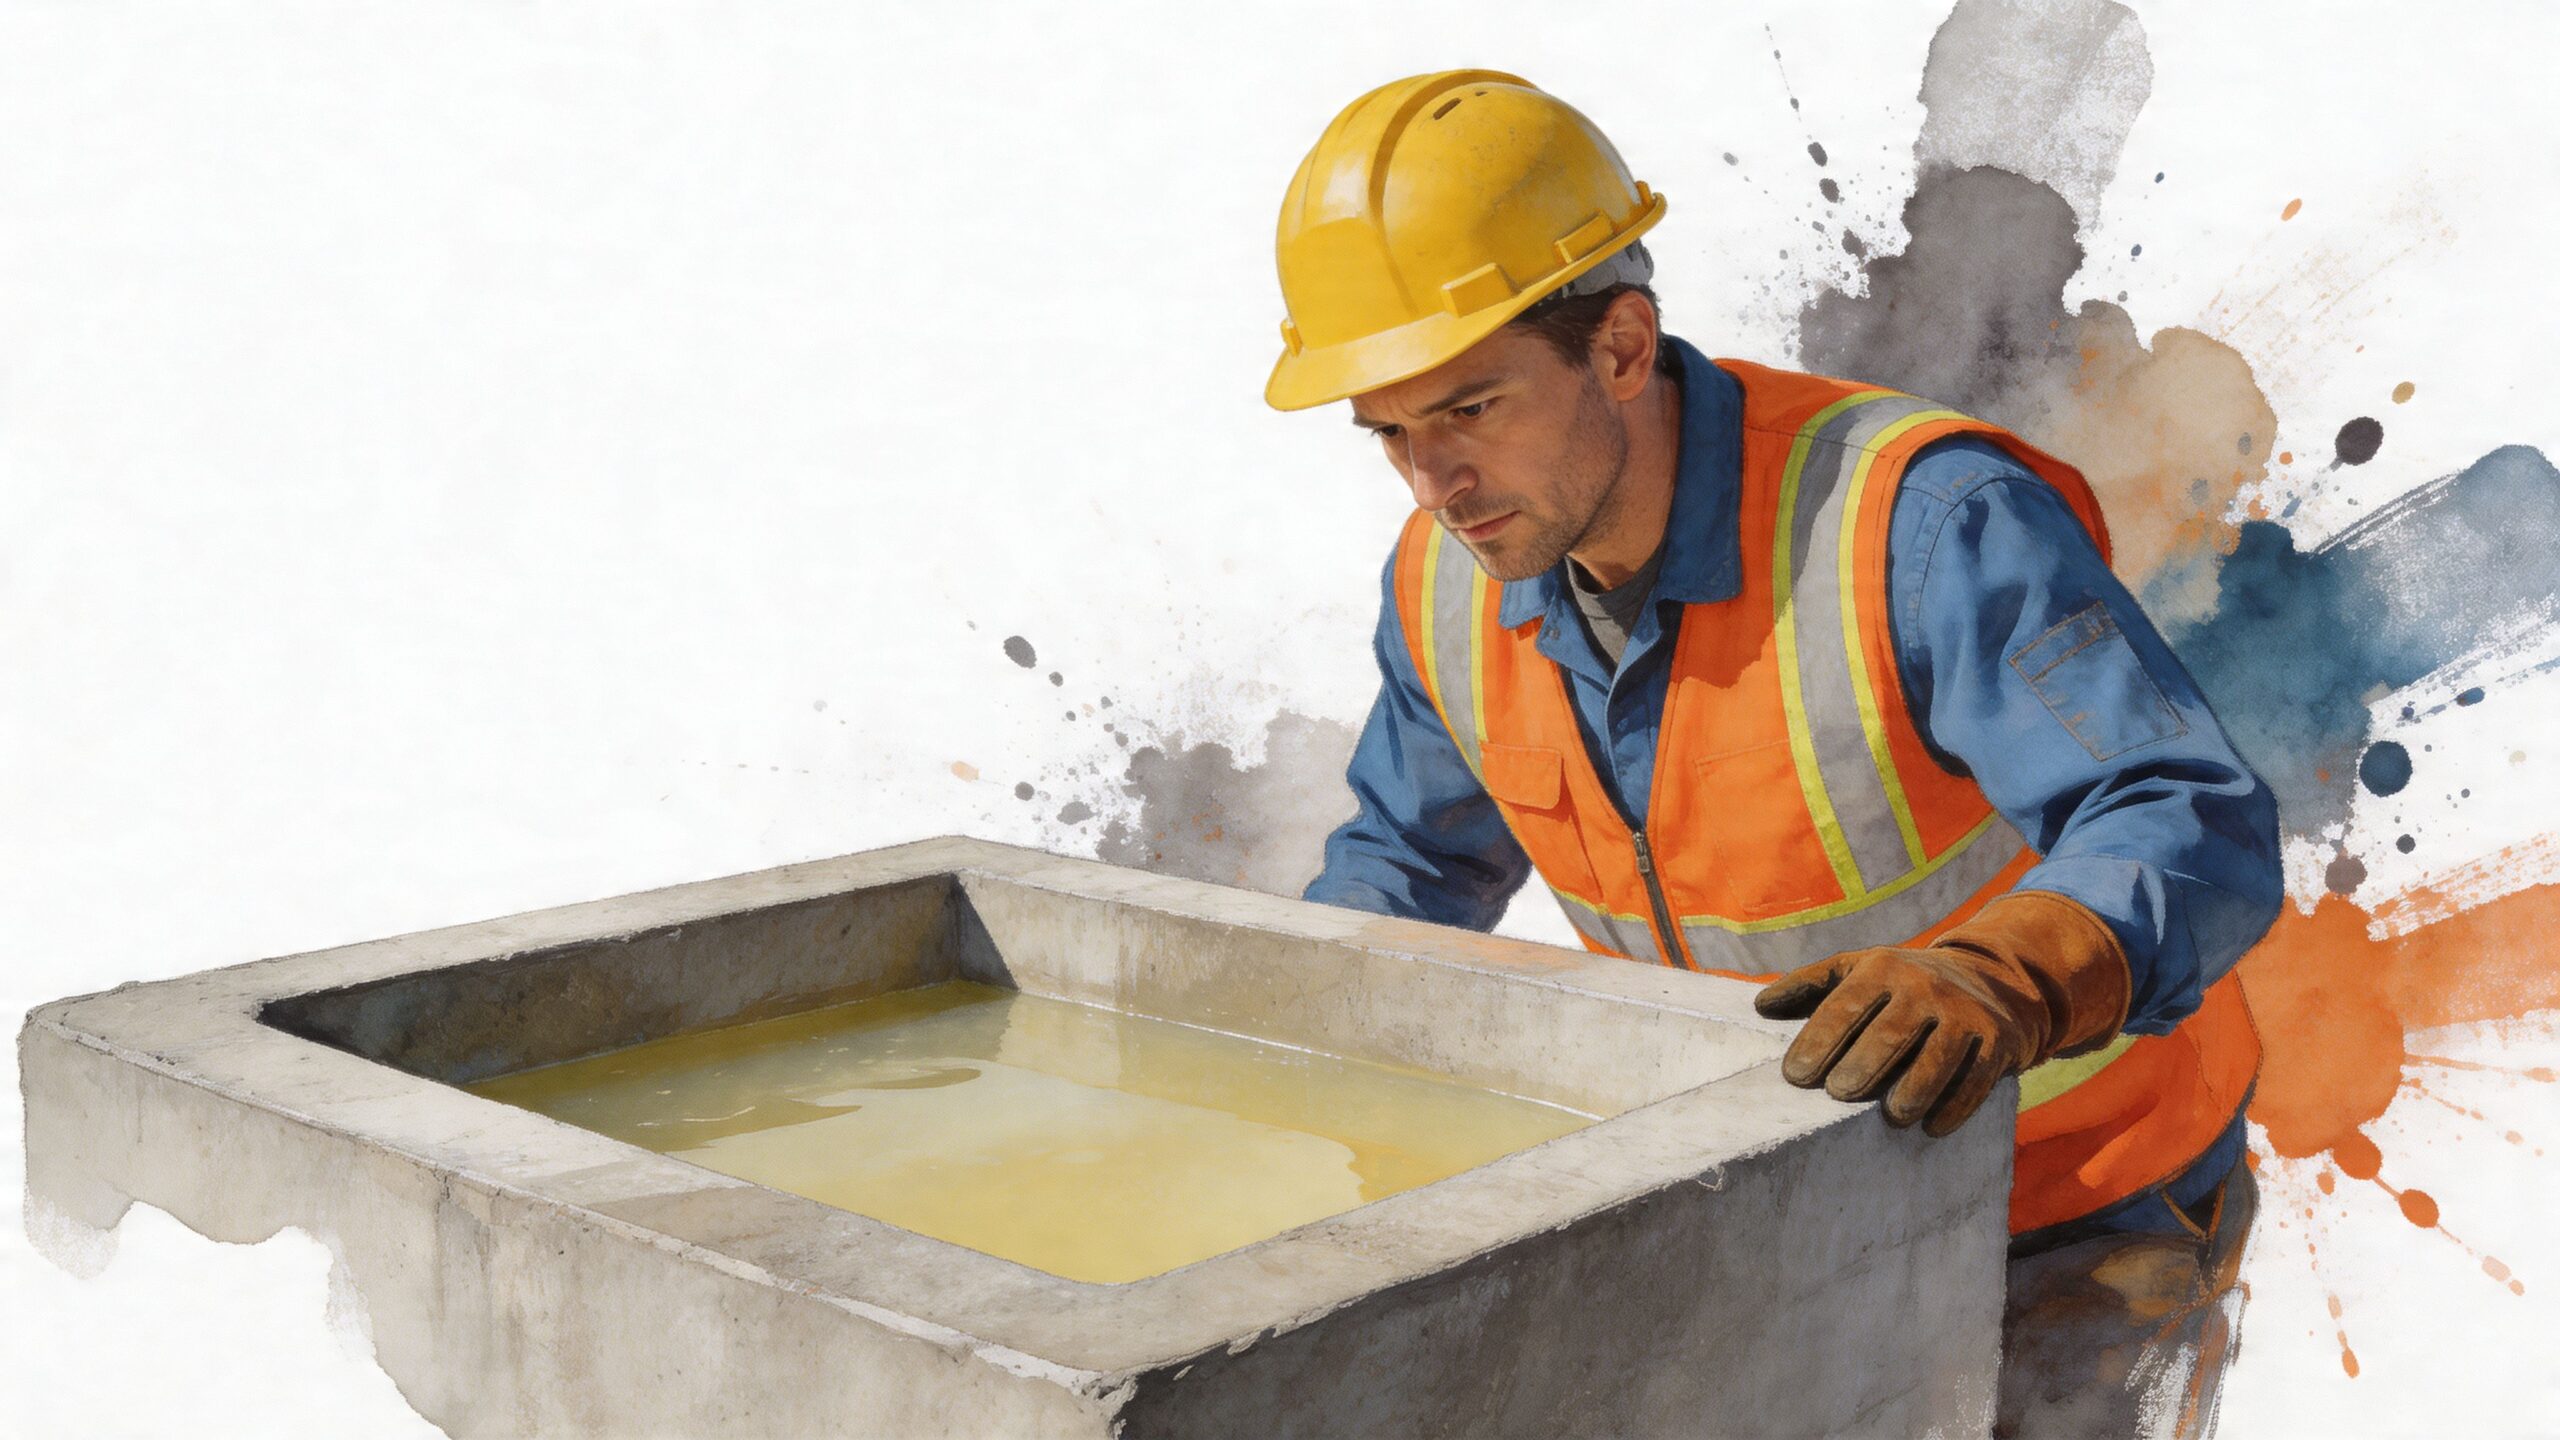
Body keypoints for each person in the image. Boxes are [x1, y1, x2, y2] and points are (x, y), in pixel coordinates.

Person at [1269, 70, 2281, 1439]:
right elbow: (1400, 872)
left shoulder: (1920, 525)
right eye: (1388, 430)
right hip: (1776, 1214)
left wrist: (2004, 976)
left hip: (2075, 1215)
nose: (1431, 482)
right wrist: (1272, 1086)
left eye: (1471, 408)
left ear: (1622, 345)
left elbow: (2191, 819)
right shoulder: (1449, 588)